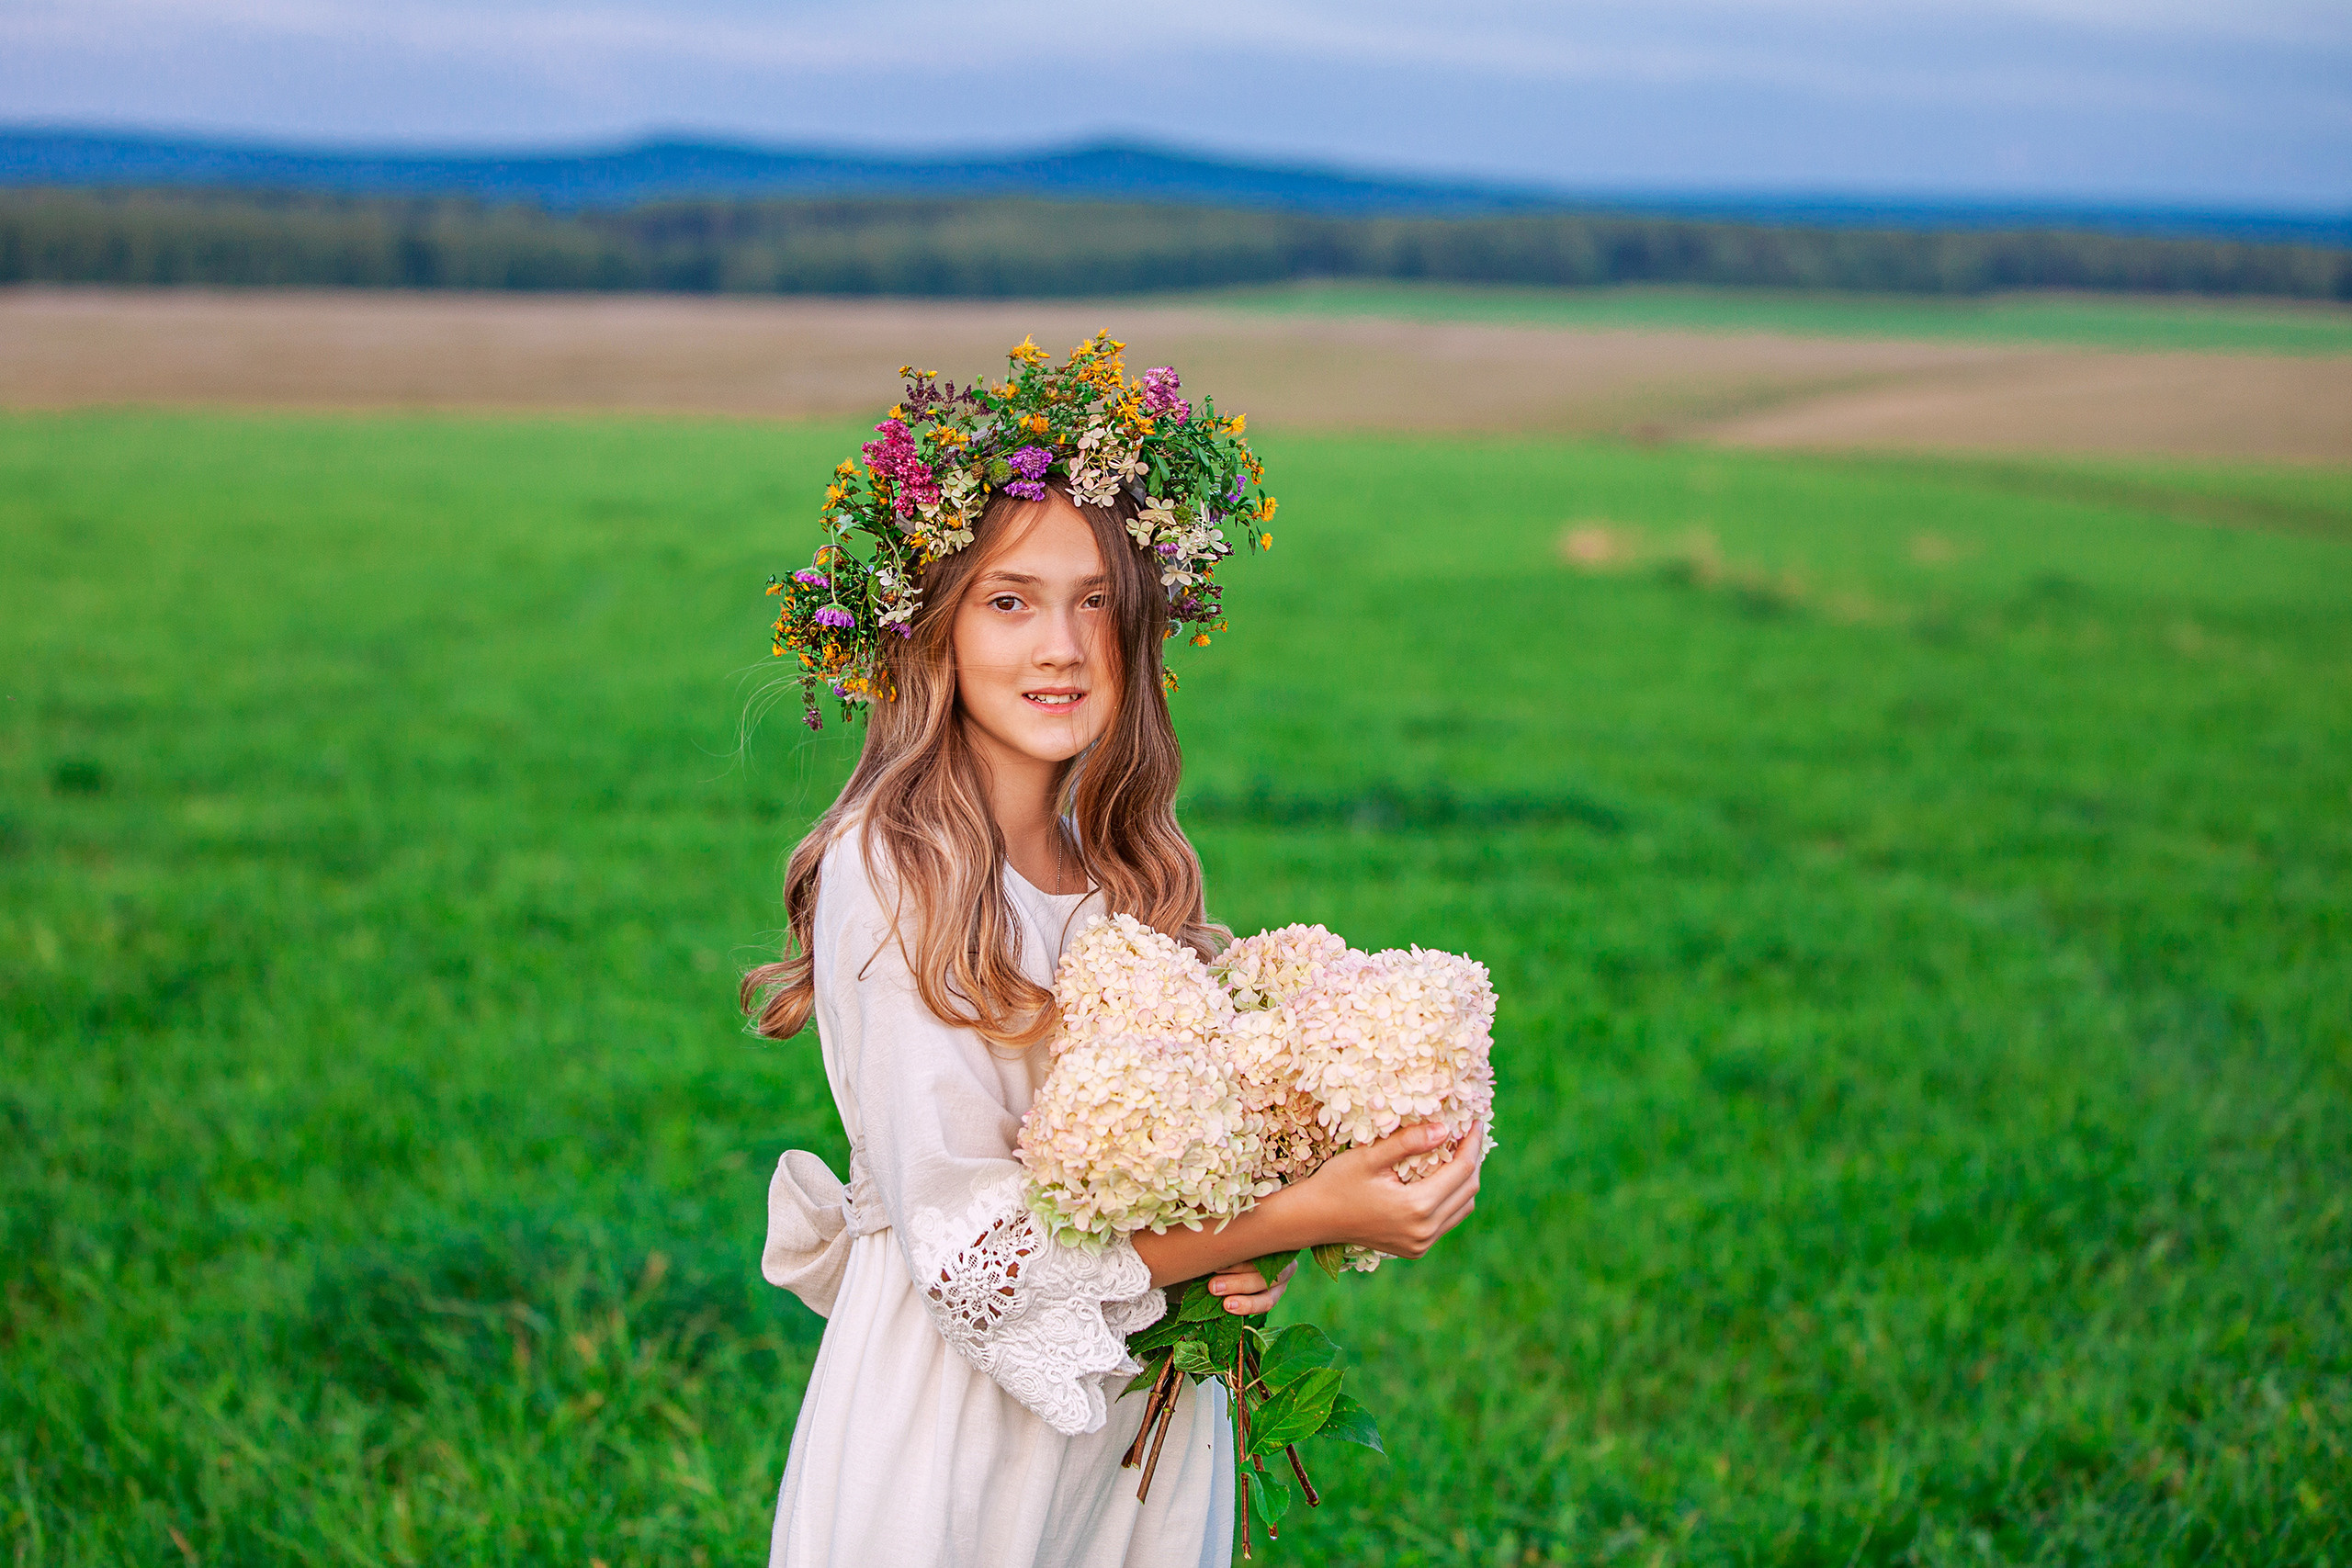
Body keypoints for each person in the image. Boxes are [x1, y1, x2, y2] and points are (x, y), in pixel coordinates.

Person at [743, 338, 1483, 1568]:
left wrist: (1268, 1237)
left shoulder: (1122, 875)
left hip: (1135, 1438)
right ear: (931, 632)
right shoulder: (898, 866)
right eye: (1010, 601)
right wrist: (1287, 1215)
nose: (1063, 646)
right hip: (962, 1445)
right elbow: (979, 1266)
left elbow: (1183, 1188)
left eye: (1098, 600)